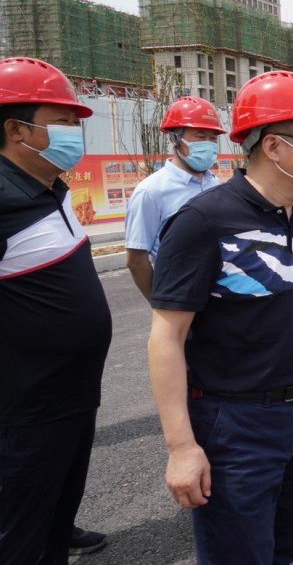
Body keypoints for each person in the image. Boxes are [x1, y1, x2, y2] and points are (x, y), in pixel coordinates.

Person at [147, 72, 293, 564]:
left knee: (284, 545)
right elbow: (166, 337)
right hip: (236, 423)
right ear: (275, 146)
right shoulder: (203, 222)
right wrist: (181, 447)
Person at [0, 57, 113, 561]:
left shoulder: (52, 188)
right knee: (18, 536)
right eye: (62, 121)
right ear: (14, 129)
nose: (74, 132)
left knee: (54, 523)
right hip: (26, 409)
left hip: (73, 397)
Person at [125, 96, 224, 303]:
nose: (208, 144)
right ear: (174, 138)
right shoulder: (150, 192)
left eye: (213, 138)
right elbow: (136, 261)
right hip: (181, 298)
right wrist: (163, 306)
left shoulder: (215, 183)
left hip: (221, 296)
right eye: (200, 136)